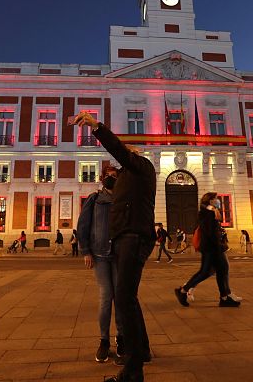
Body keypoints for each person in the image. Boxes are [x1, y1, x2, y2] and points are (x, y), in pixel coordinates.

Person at [74, 111, 155, 382]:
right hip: (125, 239)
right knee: (128, 298)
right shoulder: (124, 180)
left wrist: (97, 127)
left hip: (134, 237)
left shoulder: (141, 168)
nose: (116, 169)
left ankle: (132, 371)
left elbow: (120, 151)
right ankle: (141, 351)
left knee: (123, 299)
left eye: (125, 156)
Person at [77, 165, 125, 363]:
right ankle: (104, 340)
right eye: (108, 176)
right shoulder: (94, 199)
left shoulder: (123, 199)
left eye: (115, 176)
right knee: (106, 297)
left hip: (120, 255)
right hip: (99, 254)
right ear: (102, 178)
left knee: (121, 298)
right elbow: (83, 225)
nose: (112, 179)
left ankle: (121, 337)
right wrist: (85, 250)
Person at [175, 192, 241, 308]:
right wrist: (219, 246)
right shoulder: (209, 213)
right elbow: (211, 232)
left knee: (217, 271)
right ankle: (183, 291)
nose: (218, 200)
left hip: (211, 247)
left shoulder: (208, 212)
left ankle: (224, 297)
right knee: (211, 271)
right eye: (215, 198)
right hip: (212, 248)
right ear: (210, 201)